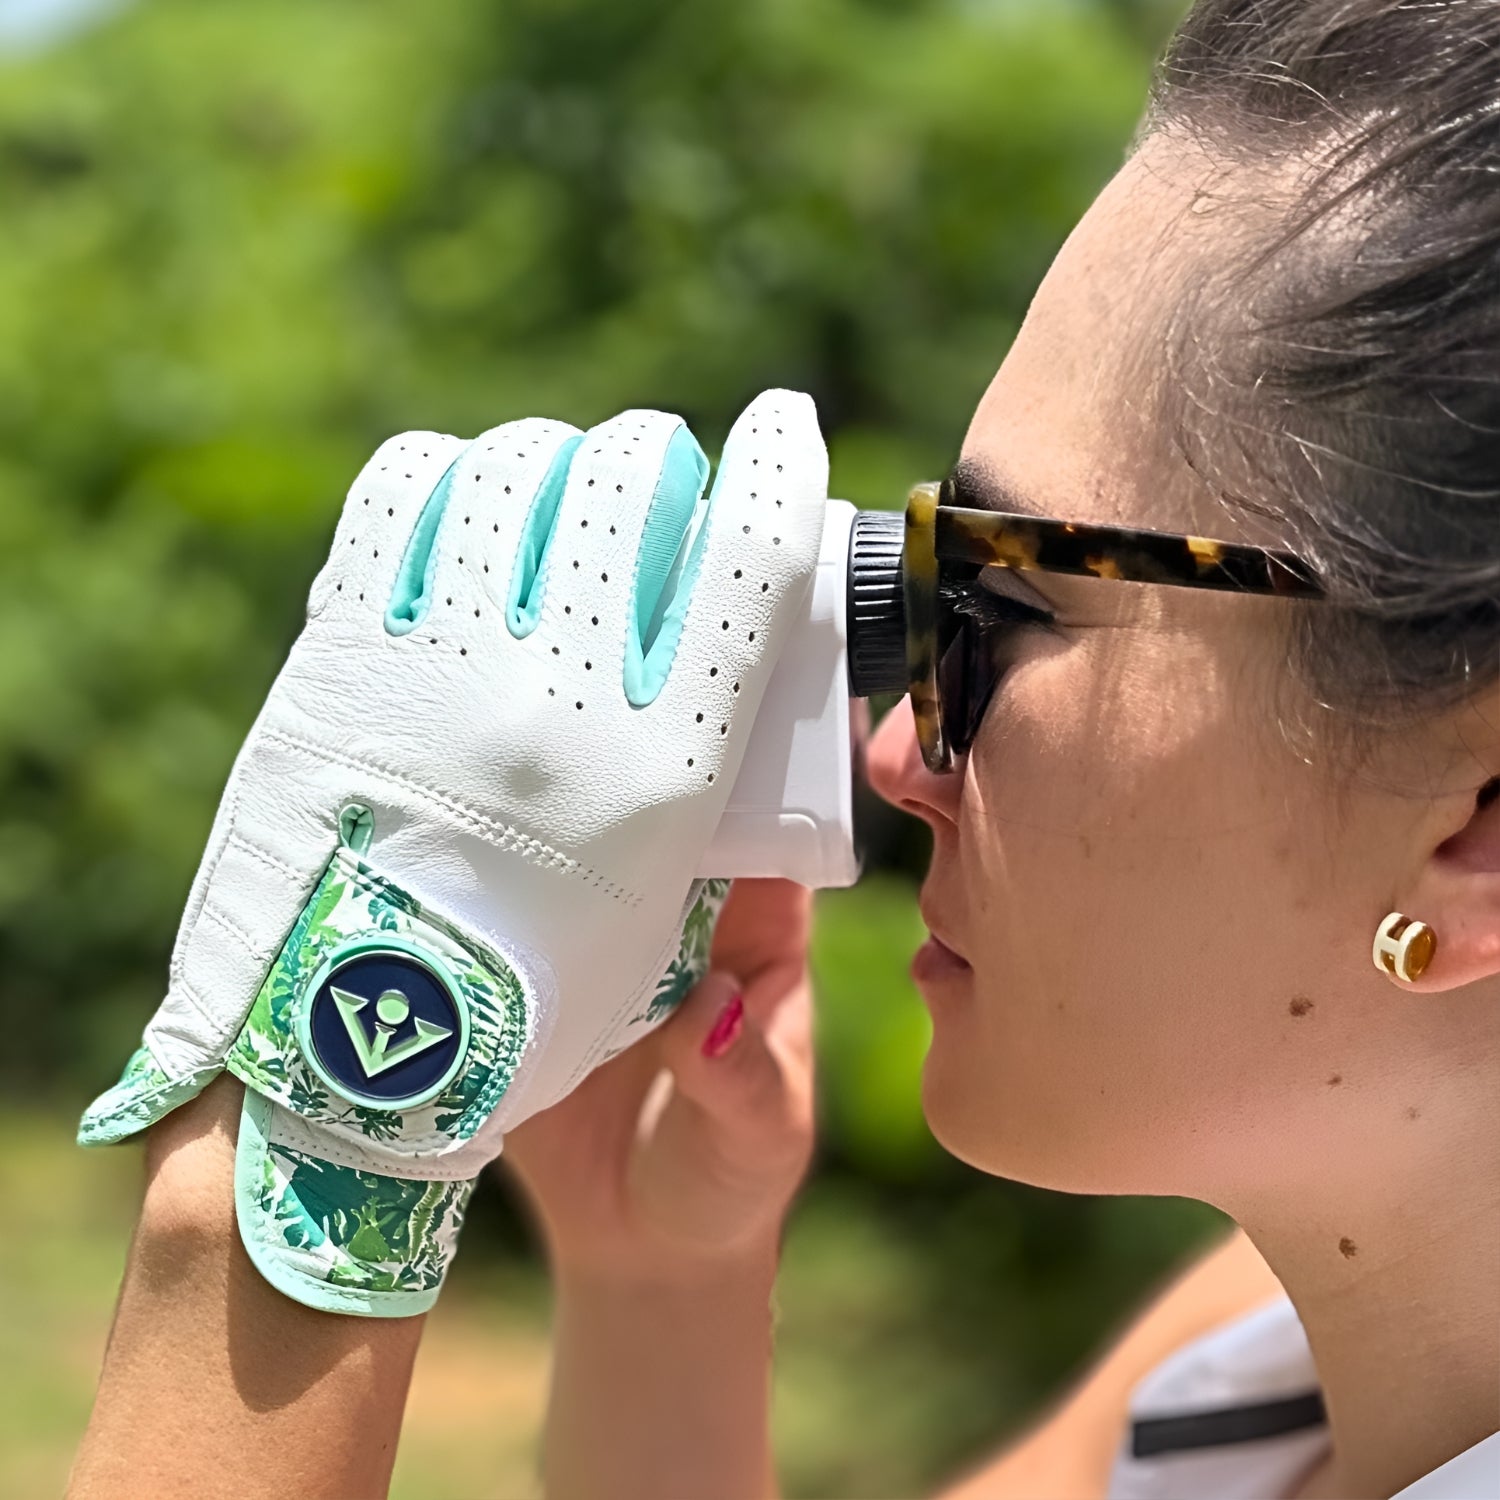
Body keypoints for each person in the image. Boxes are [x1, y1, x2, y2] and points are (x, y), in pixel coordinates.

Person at [70, 1, 1500, 1496]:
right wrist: (658, 1269)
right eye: (935, 577)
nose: (898, 760)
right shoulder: (1279, 1366)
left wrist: (337, 1121)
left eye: (1008, 604)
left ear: (1477, 821)